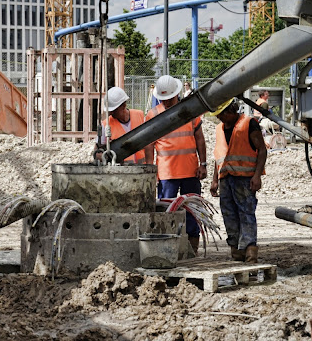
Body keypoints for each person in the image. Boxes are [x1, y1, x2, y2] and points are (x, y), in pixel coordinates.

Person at [145, 75, 207, 253]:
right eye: (163, 99)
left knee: (193, 211)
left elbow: (200, 139)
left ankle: (192, 247)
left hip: (190, 170)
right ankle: (168, 247)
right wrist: (151, 169)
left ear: (177, 94)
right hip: (166, 174)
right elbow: (149, 145)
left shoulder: (189, 111)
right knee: (167, 212)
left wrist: (203, 163)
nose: (165, 102)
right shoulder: (153, 114)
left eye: (169, 98)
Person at [209, 98, 267, 264]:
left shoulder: (249, 124)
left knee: (246, 213)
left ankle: (249, 250)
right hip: (225, 178)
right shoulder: (220, 128)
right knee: (229, 214)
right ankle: (236, 249)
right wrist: (214, 180)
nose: (220, 118)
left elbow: (262, 150)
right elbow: (219, 155)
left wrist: (257, 176)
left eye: (222, 115)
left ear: (231, 111)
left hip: (245, 178)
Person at [95, 87, 150, 164]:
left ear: (123, 105)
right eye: (110, 110)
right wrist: (107, 157)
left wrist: (149, 166)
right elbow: (96, 152)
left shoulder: (140, 116)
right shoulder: (105, 124)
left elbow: (148, 146)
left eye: (114, 110)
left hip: (141, 170)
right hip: (120, 173)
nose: (111, 113)